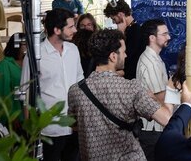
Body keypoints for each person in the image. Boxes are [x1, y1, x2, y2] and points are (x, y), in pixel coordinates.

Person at [67, 29, 171, 161]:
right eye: (123, 52)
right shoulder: (131, 88)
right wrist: (170, 90)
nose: (126, 55)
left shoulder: (76, 91)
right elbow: (167, 119)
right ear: (113, 56)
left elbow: (74, 125)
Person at [21, 8, 84, 161]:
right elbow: (25, 92)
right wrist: (31, 130)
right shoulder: (36, 56)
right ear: (56, 30)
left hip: (75, 124)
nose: (75, 30)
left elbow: (80, 82)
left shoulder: (73, 50)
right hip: (50, 128)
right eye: (70, 27)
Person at [136, 19, 171, 161]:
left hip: (156, 127)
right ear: (152, 38)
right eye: (164, 34)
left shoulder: (155, 58)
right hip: (152, 128)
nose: (168, 37)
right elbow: (161, 97)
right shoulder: (150, 62)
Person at [104, 0, 145, 80]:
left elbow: (126, 56)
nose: (113, 22)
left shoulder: (135, 31)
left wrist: (121, 34)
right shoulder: (131, 29)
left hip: (132, 78)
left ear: (121, 15)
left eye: (113, 19)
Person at [0, 32, 26, 128]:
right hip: (16, 114)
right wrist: (12, 116)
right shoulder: (4, 65)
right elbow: (3, 93)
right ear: (16, 45)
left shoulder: (29, 62)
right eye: (25, 44)